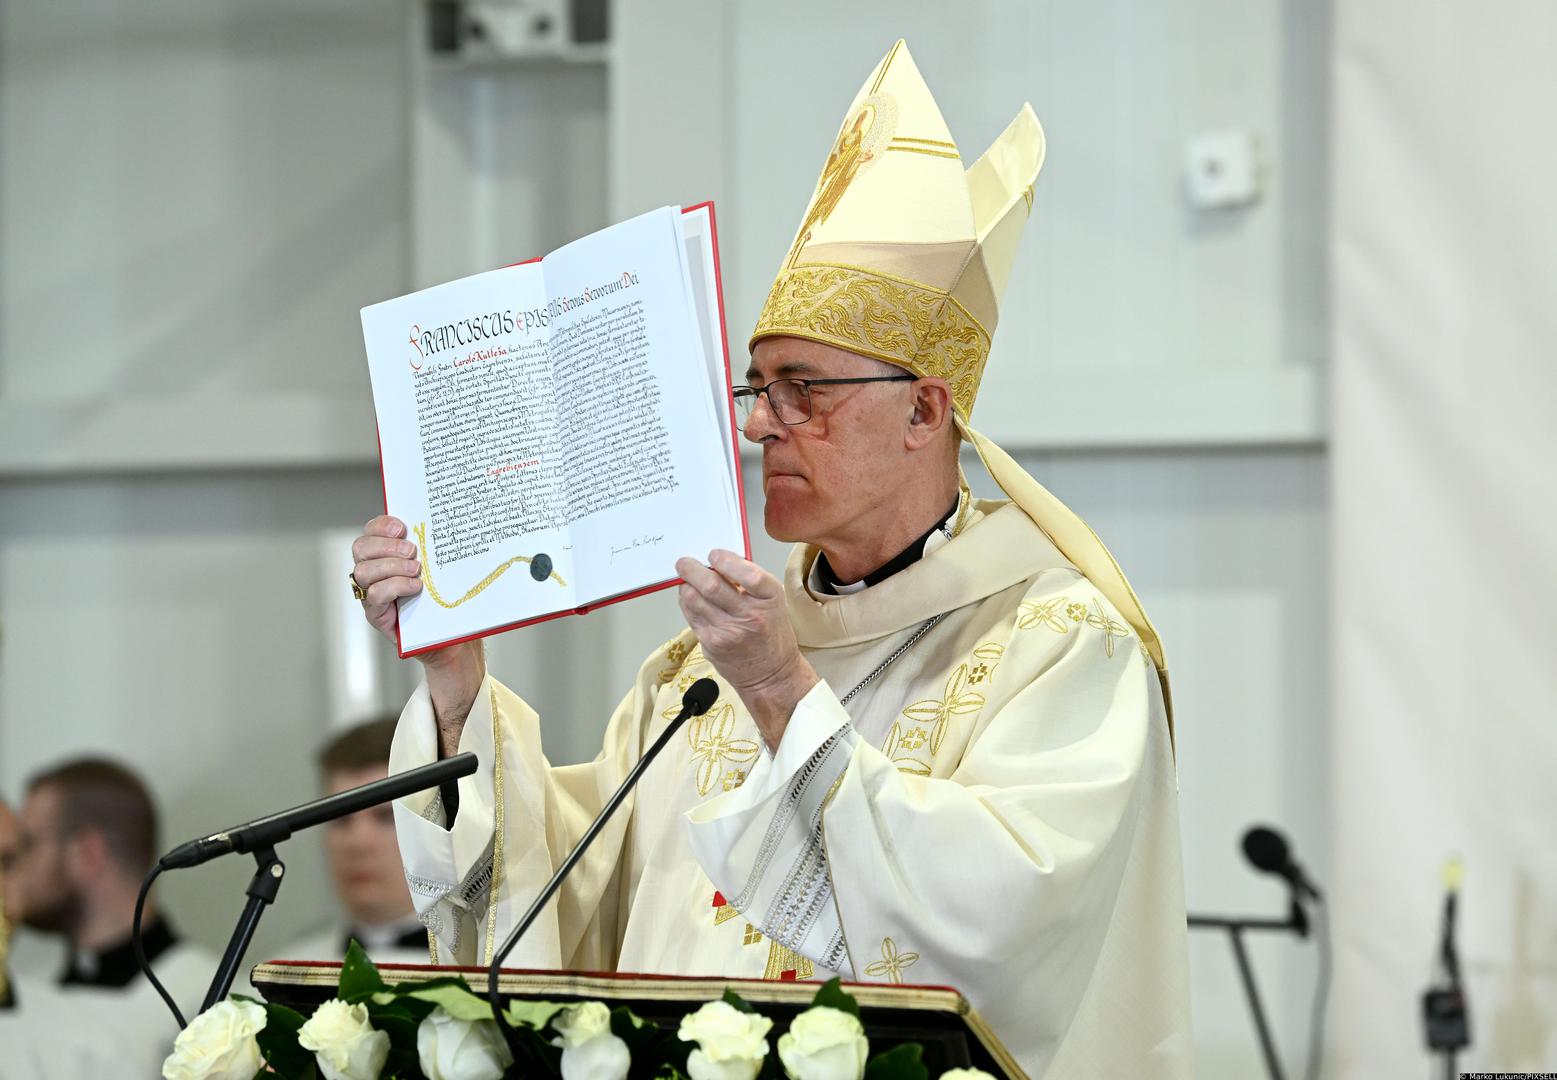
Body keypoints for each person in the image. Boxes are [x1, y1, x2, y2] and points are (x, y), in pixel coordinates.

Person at [351, 40, 1191, 1075]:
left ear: (926, 408)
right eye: (756, 389)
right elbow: (569, 905)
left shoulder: (1057, 644)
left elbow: (1007, 923)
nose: (761, 427)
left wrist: (785, 692)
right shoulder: (698, 673)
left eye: (805, 390)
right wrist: (455, 677)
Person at [0, 759, 214, 1078]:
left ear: (88, 852)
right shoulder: (35, 990)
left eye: (25, 847)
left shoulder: (212, 999)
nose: (17, 873)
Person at [265, 718, 429, 967]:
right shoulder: (283, 973)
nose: (358, 843)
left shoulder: (495, 969)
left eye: (386, 816)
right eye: (341, 820)